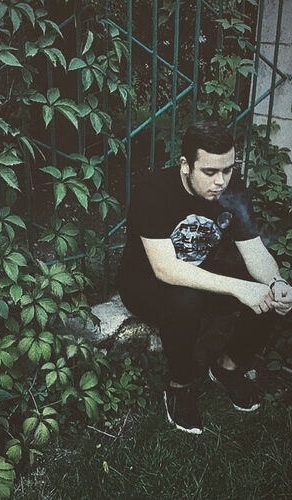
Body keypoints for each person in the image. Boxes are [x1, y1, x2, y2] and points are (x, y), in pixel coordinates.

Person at [117, 121, 292, 435]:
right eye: (210, 172)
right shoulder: (153, 191)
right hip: (145, 284)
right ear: (186, 165)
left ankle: (228, 368)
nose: (220, 181)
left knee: (266, 289)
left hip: (200, 275)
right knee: (185, 300)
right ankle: (180, 384)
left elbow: (255, 251)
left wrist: (276, 283)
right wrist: (238, 288)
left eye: (227, 170)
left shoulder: (232, 190)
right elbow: (166, 270)